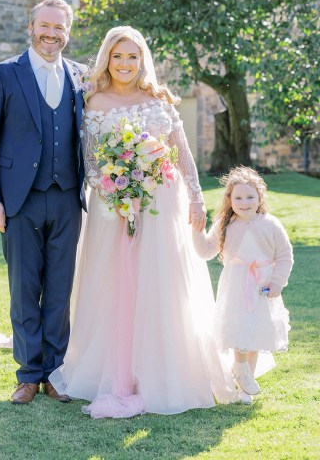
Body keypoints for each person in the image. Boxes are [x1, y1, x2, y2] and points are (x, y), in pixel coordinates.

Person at [49, 25, 238, 418]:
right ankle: (113, 369)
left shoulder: (161, 99)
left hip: (161, 206)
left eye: (132, 56)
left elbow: (182, 154)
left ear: (142, 60)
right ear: (107, 59)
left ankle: (163, 371)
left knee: (160, 284)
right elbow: (90, 160)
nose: (124, 63)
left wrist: (198, 198)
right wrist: (116, 189)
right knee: (113, 285)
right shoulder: (93, 102)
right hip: (113, 207)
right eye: (117, 56)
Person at [0, 0, 87, 404]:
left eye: (60, 28)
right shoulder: (4, 74)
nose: (52, 34)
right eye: (46, 26)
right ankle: (27, 374)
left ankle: (55, 373)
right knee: (24, 290)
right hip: (18, 201)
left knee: (59, 291)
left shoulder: (81, 76)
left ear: (67, 32)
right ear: (31, 26)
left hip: (68, 199)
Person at [192, 166, 293, 404]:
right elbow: (206, 251)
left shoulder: (270, 224)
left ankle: (244, 389)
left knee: (255, 334)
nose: (244, 202)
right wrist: (197, 233)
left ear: (260, 198)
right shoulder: (225, 224)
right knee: (239, 330)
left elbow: (285, 256)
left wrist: (277, 282)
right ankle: (239, 367)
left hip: (262, 286)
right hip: (236, 285)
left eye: (250, 197)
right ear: (229, 200)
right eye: (238, 197)